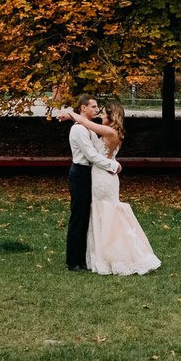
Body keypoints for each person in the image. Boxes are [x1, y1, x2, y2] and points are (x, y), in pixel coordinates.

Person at [63, 101, 160, 276]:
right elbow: (89, 134)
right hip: (102, 175)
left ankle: (112, 254)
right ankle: (97, 255)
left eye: (103, 113)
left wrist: (70, 114)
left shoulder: (109, 131)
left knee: (106, 214)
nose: (100, 114)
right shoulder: (112, 132)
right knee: (102, 213)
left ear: (111, 116)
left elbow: (87, 126)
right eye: (96, 109)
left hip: (103, 176)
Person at [62, 96, 118, 271]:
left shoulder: (90, 129)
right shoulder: (78, 130)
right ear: (83, 108)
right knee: (78, 215)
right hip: (79, 173)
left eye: (97, 107)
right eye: (93, 107)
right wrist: (113, 165)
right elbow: (91, 155)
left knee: (87, 216)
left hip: (89, 174)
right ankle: (73, 261)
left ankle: (83, 257)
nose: (96, 110)